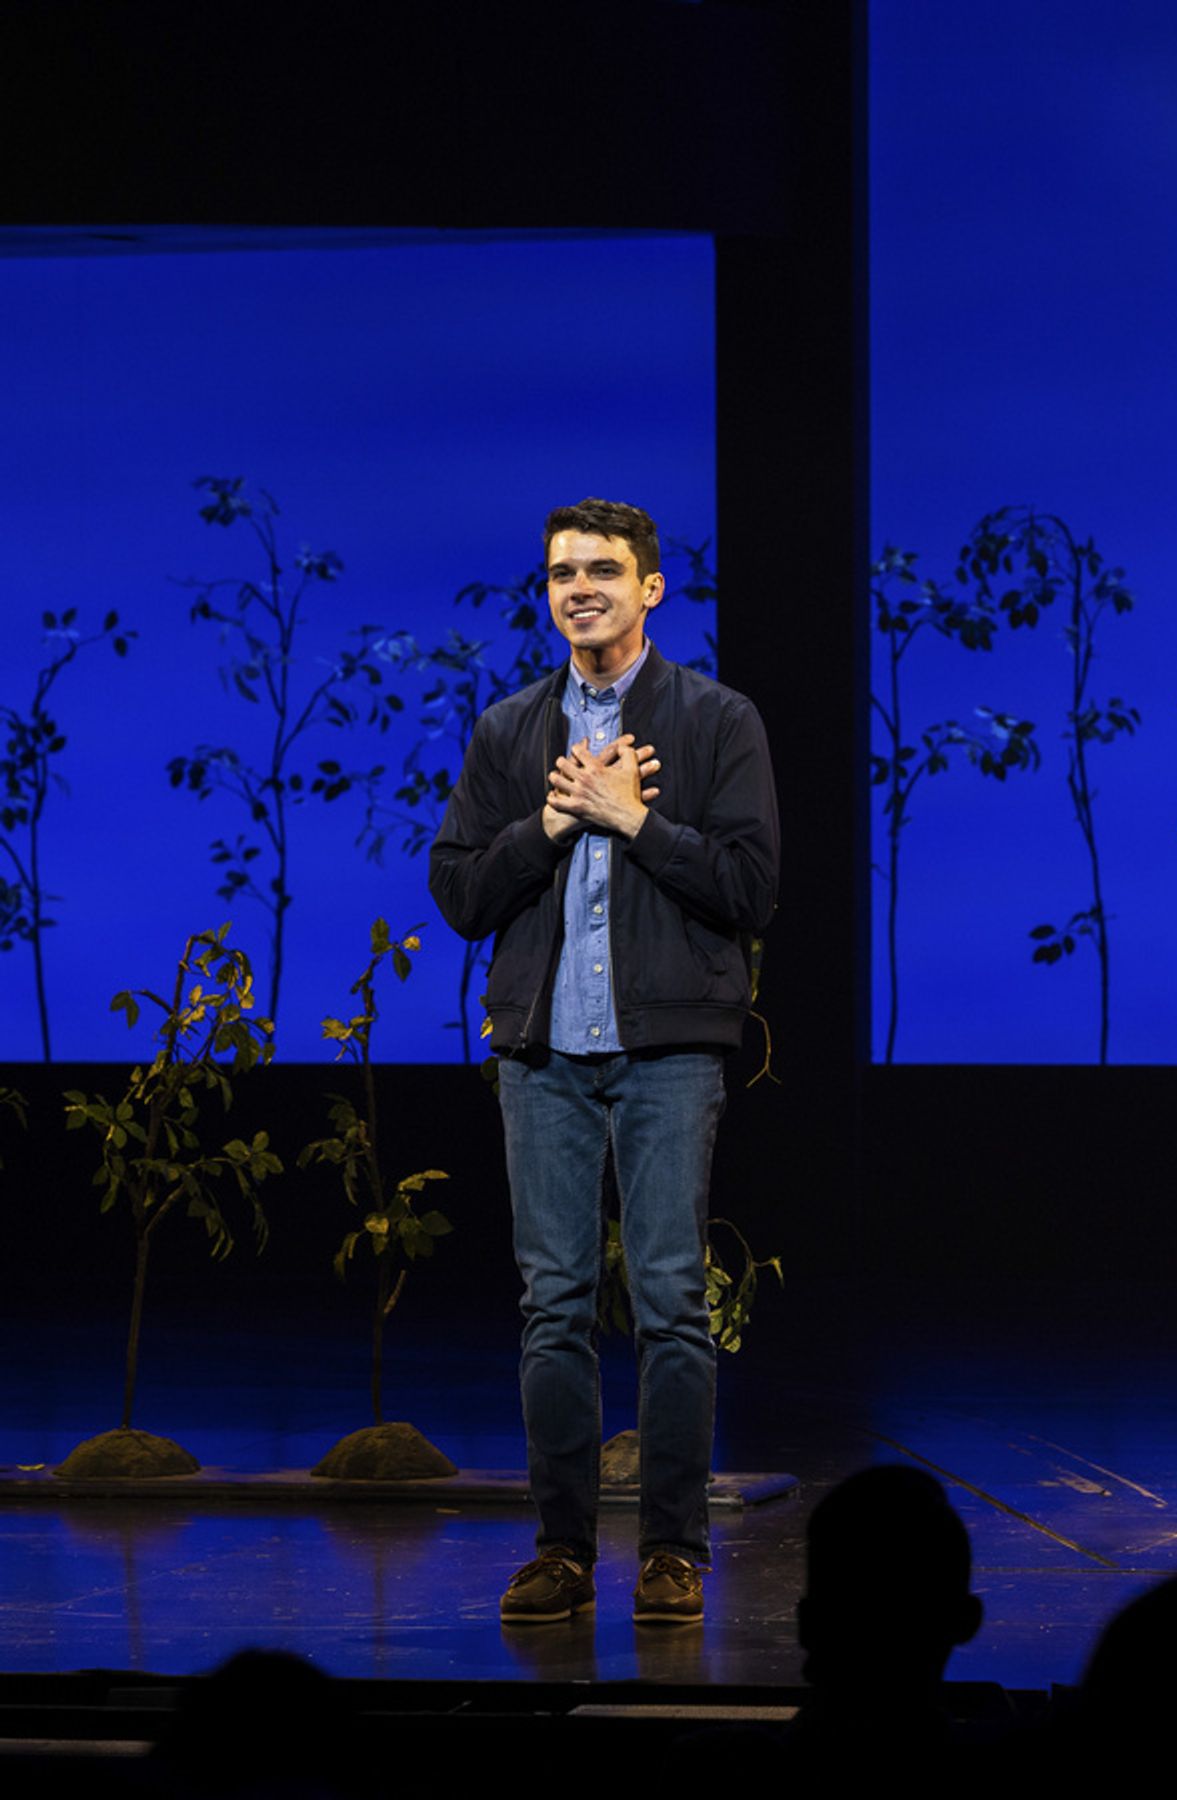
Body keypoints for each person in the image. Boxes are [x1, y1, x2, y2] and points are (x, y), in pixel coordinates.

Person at [429, 497, 779, 1624]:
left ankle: (673, 1550)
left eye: (604, 570)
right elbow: (459, 893)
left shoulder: (718, 720)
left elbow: (749, 891)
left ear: (651, 588)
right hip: (544, 1053)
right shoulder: (509, 731)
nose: (580, 587)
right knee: (554, 1306)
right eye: (561, 572)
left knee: (673, 1300)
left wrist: (632, 821)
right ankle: (562, 1552)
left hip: (667, 1049)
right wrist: (551, 825)